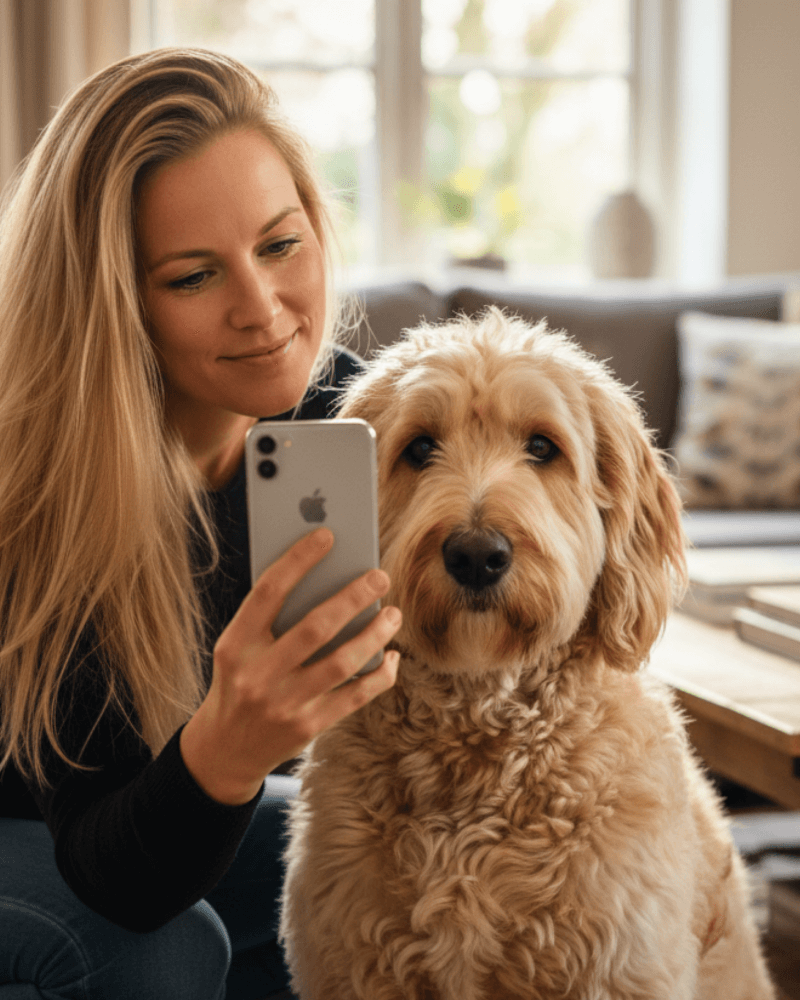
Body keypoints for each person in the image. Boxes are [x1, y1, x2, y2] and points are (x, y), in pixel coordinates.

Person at [0, 47, 401, 1000]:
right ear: (116, 304)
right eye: (191, 277)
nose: (263, 311)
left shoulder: (346, 417)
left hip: (139, 822)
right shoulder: (44, 488)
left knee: (381, 859)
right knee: (167, 949)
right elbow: (118, 875)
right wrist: (229, 744)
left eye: (279, 245)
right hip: (41, 826)